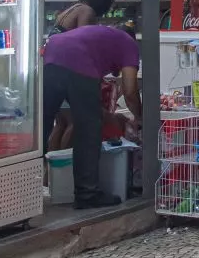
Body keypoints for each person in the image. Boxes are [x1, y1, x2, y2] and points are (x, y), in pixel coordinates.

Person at [43, 24, 143, 208]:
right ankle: (87, 194)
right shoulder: (130, 44)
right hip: (78, 60)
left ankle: (19, 189)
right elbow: (130, 90)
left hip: (52, 53)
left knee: (42, 123)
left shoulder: (103, 35)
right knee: (89, 128)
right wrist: (140, 117)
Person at [45, 0, 117, 151]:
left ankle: (51, 169)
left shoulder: (73, 8)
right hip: (68, 72)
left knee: (61, 123)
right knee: (75, 122)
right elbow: (85, 43)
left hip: (52, 69)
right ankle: (63, 164)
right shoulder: (87, 12)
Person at [48, 0, 117, 35]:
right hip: (64, 50)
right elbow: (85, 39)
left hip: (53, 48)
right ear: (103, 0)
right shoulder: (87, 11)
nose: (112, 5)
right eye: (111, 1)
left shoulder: (76, 6)